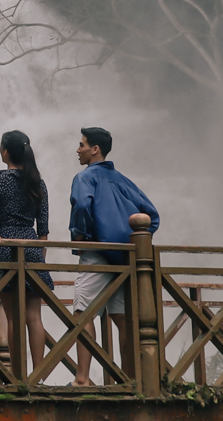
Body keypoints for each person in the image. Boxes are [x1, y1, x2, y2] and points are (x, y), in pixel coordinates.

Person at [67, 126, 159, 387]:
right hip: (124, 257)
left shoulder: (84, 178)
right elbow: (152, 216)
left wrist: (81, 236)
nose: (78, 149)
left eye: (82, 145)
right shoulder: (122, 180)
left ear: (95, 149)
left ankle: (82, 378)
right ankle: (131, 378)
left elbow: (83, 205)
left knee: (82, 313)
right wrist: (133, 241)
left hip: (96, 254)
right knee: (122, 318)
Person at [0, 130, 53, 378]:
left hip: (4, 250)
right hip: (32, 249)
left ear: (5, 152)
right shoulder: (38, 182)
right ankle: (40, 376)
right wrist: (40, 260)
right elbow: (43, 230)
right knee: (34, 316)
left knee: (13, 318)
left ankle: (17, 377)